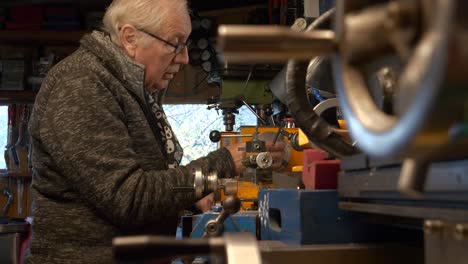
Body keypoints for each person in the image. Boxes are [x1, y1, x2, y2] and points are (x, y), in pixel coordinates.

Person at [26, 0, 285, 263]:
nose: (184, 58)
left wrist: (194, 195)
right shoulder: (82, 86)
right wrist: (224, 163)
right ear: (130, 38)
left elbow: (149, 179)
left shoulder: (128, 87)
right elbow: (129, 198)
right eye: (175, 43)